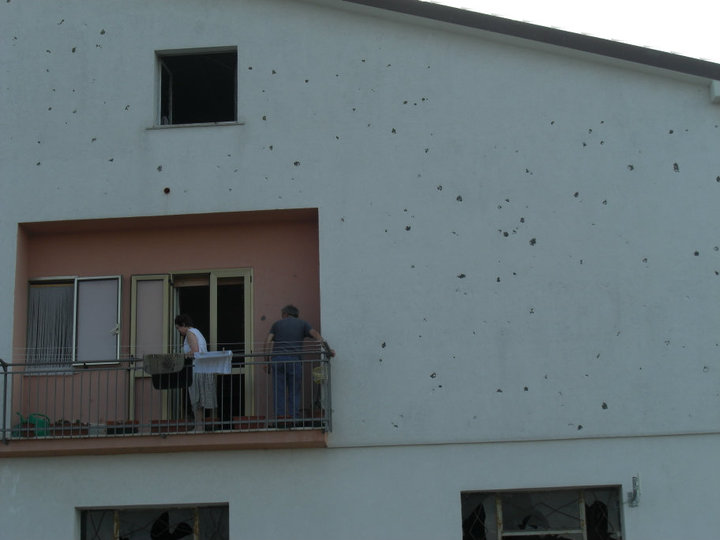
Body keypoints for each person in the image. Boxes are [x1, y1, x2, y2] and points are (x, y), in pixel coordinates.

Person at [265, 305, 334, 423]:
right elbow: (315, 334)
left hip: (278, 360)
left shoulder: (276, 324)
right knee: (294, 391)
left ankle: (280, 419)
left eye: (282, 314)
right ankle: (294, 418)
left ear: (285, 314)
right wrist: (328, 349)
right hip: (294, 360)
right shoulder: (303, 324)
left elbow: (267, 341)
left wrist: (266, 361)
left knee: (279, 391)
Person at [174, 314, 215, 432]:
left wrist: (182, 356)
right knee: (199, 400)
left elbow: (195, 351)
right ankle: (200, 426)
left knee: (196, 399)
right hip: (202, 368)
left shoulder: (190, 333)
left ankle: (199, 426)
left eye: (178, 328)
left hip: (196, 369)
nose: (178, 331)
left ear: (183, 325)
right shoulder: (197, 332)